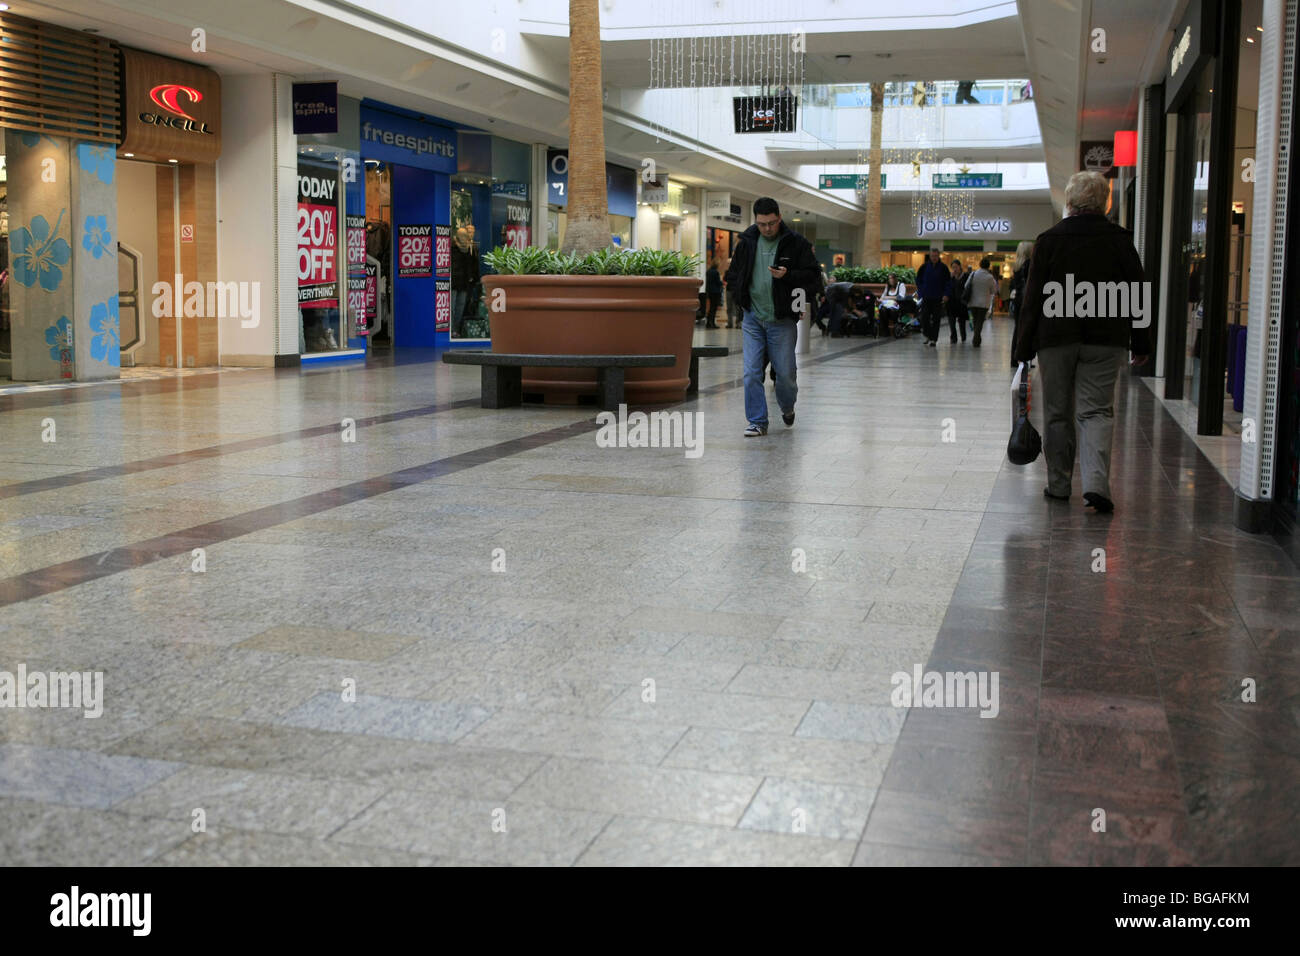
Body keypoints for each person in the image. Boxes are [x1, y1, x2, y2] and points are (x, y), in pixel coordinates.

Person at [1014, 170, 1151, 514]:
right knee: (1097, 411)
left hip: (1056, 339)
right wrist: (1141, 341)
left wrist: (1023, 348)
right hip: (1106, 339)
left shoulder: (1049, 240)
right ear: (1105, 202)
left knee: (1057, 412)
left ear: (1070, 201)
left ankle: (1059, 484)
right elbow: (1138, 292)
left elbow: (1032, 299)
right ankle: (1096, 484)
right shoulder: (1120, 240)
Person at [723, 197, 820, 437]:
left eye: (772, 223)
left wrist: (788, 276)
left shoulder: (795, 243)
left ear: (779, 217)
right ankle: (757, 421)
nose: (767, 228)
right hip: (753, 318)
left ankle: (787, 407)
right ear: (755, 221)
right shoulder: (747, 242)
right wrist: (741, 299)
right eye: (762, 224)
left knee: (785, 375)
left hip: (782, 320)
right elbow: (733, 275)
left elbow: (813, 277)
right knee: (751, 373)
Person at [914, 248, 951, 347]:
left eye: (936, 256)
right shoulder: (924, 267)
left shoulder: (943, 268)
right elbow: (918, 280)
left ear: (938, 256)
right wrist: (921, 292)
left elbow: (948, 283)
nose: (934, 258)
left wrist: (946, 294)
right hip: (926, 297)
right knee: (924, 318)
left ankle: (933, 339)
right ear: (930, 256)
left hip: (938, 298)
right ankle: (928, 335)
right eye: (932, 256)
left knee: (936, 319)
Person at [1008, 240, 1034, 368]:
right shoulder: (1029, 265)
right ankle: (1022, 357)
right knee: (1025, 330)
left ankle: (1015, 358)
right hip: (1026, 300)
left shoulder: (1017, 266)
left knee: (1017, 329)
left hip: (1018, 300)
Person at [962, 258, 998, 348]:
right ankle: (976, 339)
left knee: (975, 320)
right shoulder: (990, 277)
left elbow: (966, 285)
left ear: (980, 264)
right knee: (980, 321)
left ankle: (977, 338)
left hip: (972, 302)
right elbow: (994, 290)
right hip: (983, 303)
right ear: (988, 266)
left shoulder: (973, 274)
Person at [450, 226, 479, 338]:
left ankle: (456, 329)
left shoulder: (469, 248)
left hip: (464, 283)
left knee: (460, 307)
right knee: (452, 307)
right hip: (453, 282)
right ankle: (451, 329)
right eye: (462, 236)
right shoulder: (452, 248)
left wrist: (472, 278)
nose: (464, 238)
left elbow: (471, 265)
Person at [946, 259, 968, 343]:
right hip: (951, 302)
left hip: (962, 303)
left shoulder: (965, 276)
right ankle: (953, 337)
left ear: (960, 267)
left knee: (962, 321)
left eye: (956, 267)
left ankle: (963, 336)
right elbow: (947, 287)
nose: (954, 269)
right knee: (951, 321)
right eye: (953, 267)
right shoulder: (950, 277)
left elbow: (968, 289)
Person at [703, 259, 722, 329]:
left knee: (711, 308)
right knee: (714, 308)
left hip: (710, 291)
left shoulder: (708, 271)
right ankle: (712, 323)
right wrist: (722, 283)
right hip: (716, 292)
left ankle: (708, 323)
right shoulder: (716, 272)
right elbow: (718, 282)